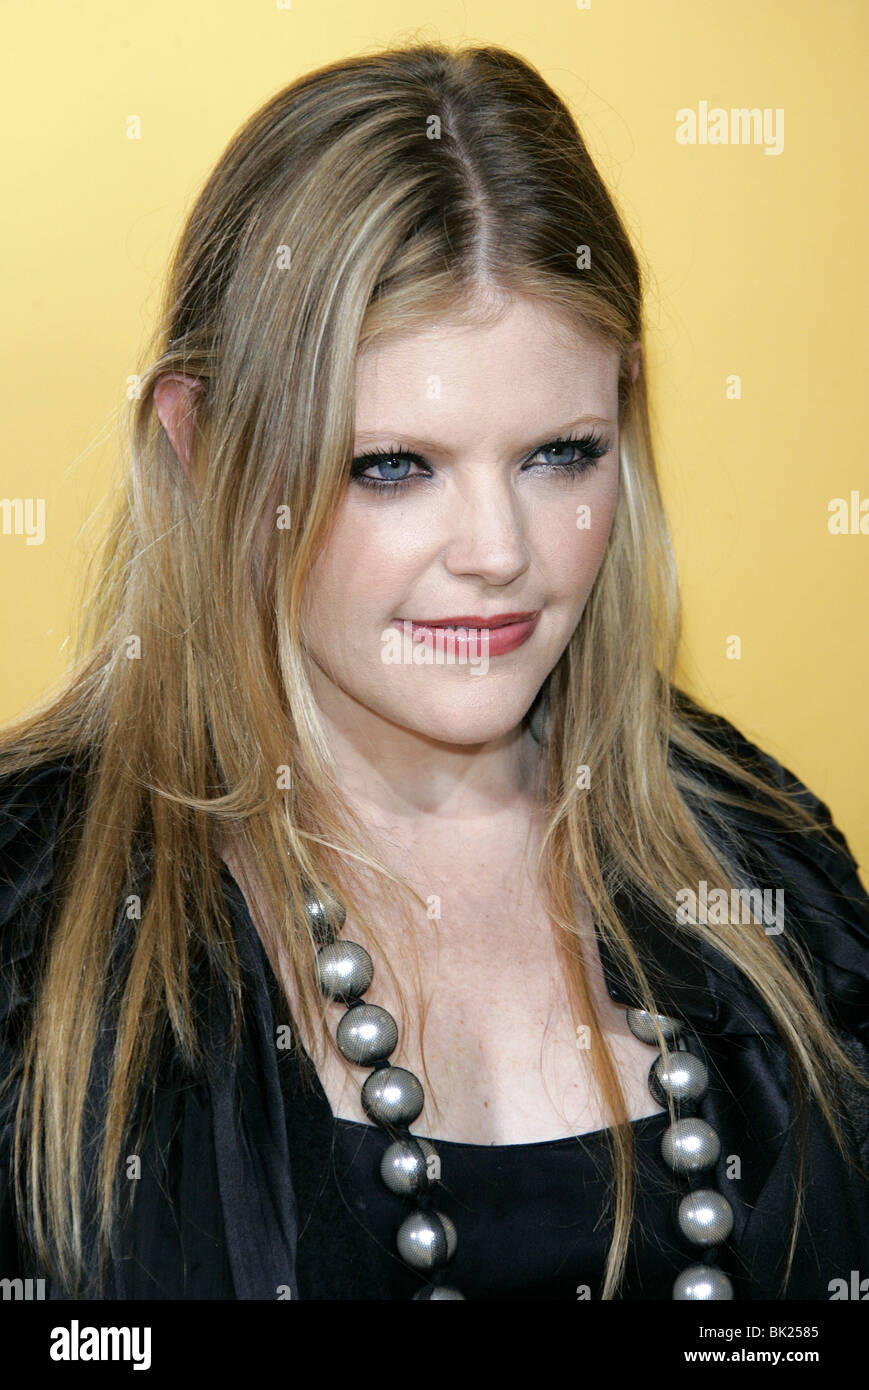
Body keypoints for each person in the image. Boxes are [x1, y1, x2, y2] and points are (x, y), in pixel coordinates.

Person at [0, 41, 867, 1303]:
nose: (500, 555)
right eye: (393, 465)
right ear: (199, 451)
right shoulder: (35, 918)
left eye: (560, 453)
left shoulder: (762, 847)